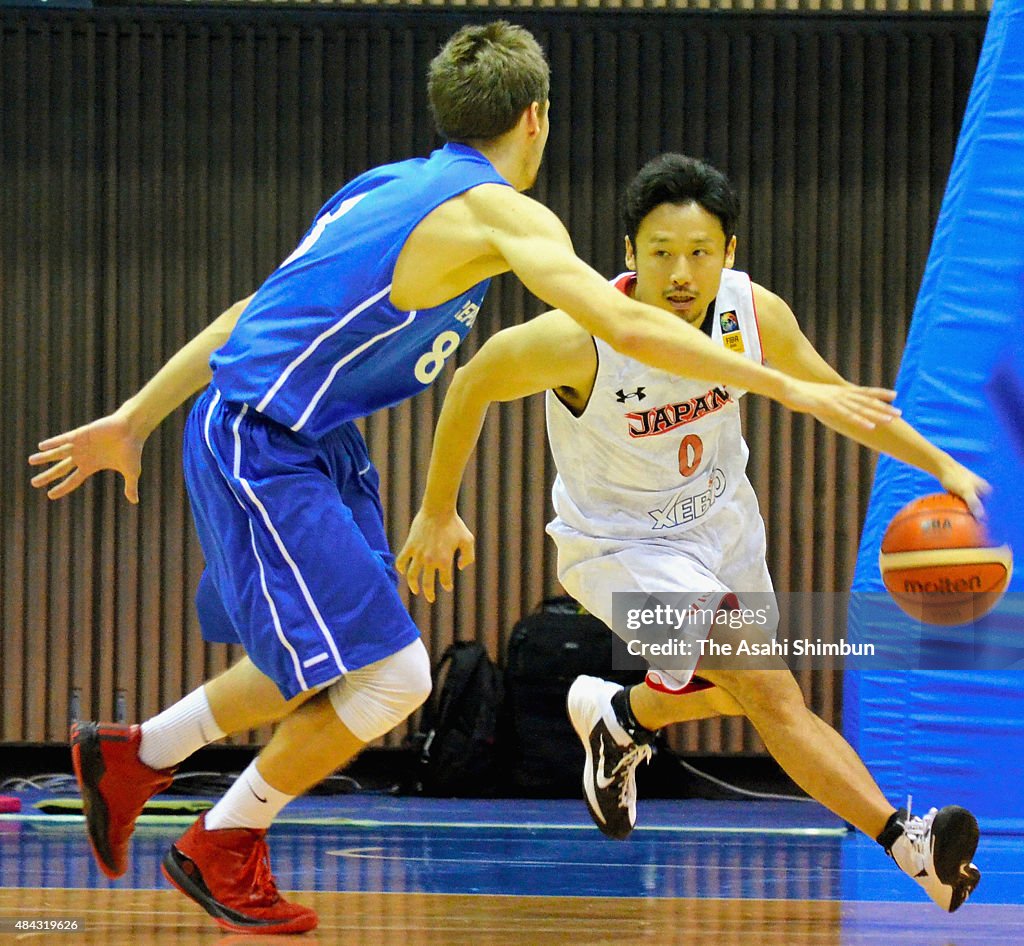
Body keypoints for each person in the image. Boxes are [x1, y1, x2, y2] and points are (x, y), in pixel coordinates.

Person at [31, 23, 900, 936]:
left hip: (320, 446)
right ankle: (220, 837)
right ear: (537, 117)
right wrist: (798, 390)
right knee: (393, 680)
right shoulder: (501, 214)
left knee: (319, 667)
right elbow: (625, 325)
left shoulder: (386, 188)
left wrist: (136, 415)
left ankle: (136, 754)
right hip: (262, 440)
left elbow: (252, 311)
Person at [396, 153, 987, 914]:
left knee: (749, 694)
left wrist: (947, 468)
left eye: (700, 252)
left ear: (729, 254)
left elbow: (844, 402)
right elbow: (474, 380)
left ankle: (623, 718)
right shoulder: (580, 339)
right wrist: (437, 509)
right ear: (628, 255)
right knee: (773, 694)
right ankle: (910, 843)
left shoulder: (753, 313)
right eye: (661, 252)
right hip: (620, 548)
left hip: (722, 526)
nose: (681, 272)